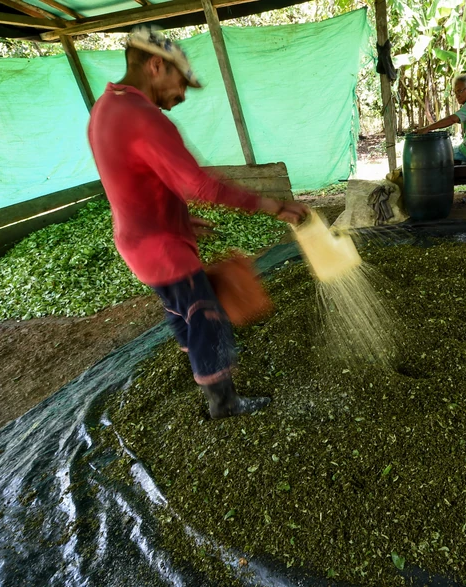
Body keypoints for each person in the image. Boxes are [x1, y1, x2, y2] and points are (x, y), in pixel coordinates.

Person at [87, 27, 308, 420]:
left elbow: (130, 179)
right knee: (208, 318)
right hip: (161, 249)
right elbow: (199, 184)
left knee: (181, 312)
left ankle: (201, 373)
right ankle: (223, 403)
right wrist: (272, 205)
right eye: (180, 82)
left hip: (139, 243)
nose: (182, 95)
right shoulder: (142, 117)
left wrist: (179, 216)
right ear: (156, 65)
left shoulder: (105, 108)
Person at [414, 74, 466, 165]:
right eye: (455, 92)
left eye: (460, 91)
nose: (457, 95)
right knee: (451, 148)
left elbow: (452, 119)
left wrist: (427, 128)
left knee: (434, 154)